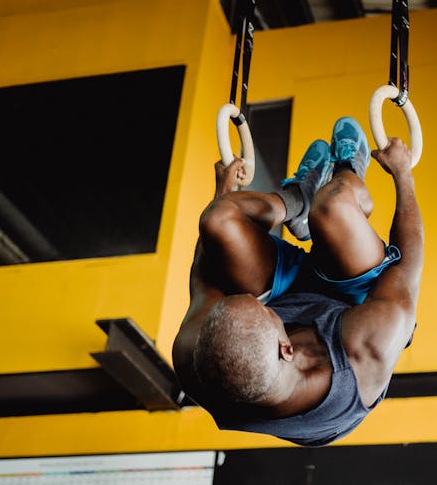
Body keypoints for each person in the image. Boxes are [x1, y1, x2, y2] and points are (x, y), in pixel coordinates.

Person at [172, 116, 423, 447]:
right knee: (332, 205)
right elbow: (407, 265)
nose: (259, 302)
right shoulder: (368, 348)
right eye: (265, 309)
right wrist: (403, 174)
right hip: (353, 305)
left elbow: (207, 275)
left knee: (217, 219)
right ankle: (349, 167)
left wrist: (224, 192)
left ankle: (298, 199)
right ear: (286, 346)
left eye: (247, 298)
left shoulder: (192, 357)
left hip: (282, 289)